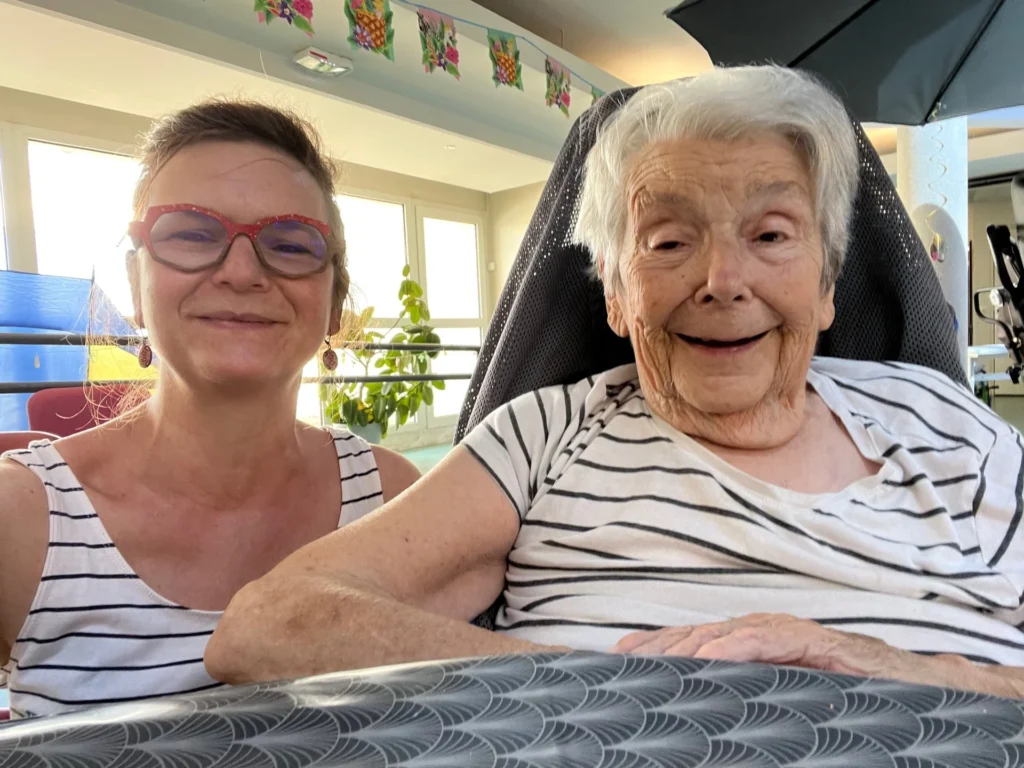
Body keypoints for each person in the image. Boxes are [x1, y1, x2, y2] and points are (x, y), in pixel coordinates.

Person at [207, 66, 1024, 699]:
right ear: (614, 293)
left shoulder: (952, 430)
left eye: (771, 234)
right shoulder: (546, 435)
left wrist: (890, 666)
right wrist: (616, 688)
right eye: (668, 242)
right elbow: (269, 625)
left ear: (827, 281)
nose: (722, 280)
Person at [0, 100, 420, 718]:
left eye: (291, 244)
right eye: (192, 234)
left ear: (334, 303)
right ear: (136, 284)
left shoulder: (395, 501)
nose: (242, 271)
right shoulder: (21, 521)